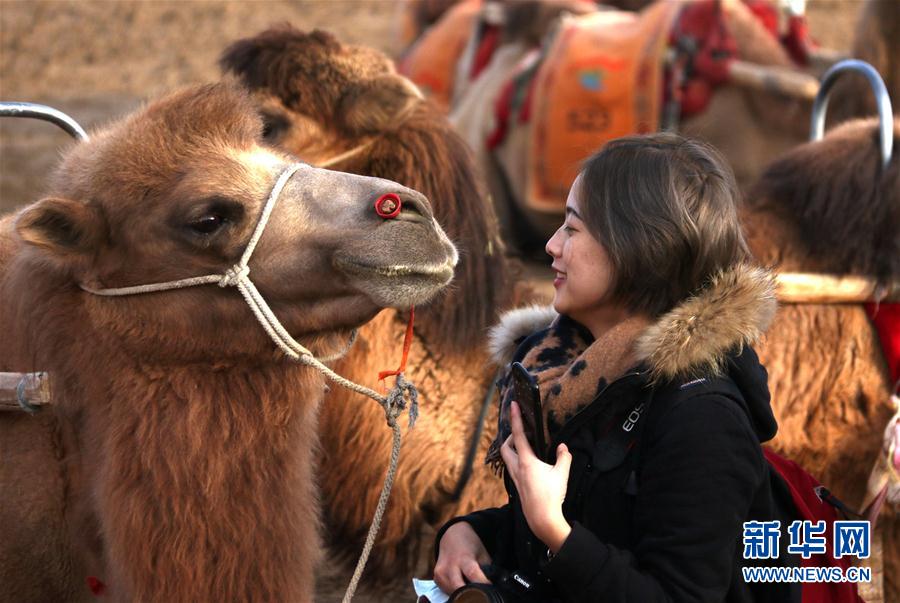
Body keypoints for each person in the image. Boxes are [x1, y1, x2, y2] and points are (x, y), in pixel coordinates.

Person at [432, 133, 797, 602]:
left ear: (638, 248)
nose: (550, 246)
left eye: (572, 228)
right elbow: (588, 518)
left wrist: (557, 534)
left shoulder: (703, 418)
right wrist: (469, 533)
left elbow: (679, 593)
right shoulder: (570, 373)